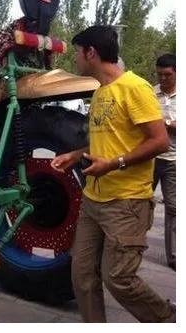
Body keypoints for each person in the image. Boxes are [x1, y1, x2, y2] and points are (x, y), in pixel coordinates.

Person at [50, 25, 174, 323]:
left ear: (91, 53)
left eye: (78, 53)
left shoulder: (135, 87)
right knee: (82, 276)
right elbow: (103, 141)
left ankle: (166, 320)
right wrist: (75, 155)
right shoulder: (102, 91)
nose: (75, 60)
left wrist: (114, 164)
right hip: (93, 200)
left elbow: (160, 141)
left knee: (118, 278)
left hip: (126, 203)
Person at [153, 54, 176, 270]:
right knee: (140, 203)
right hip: (150, 158)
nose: (163, 79)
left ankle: (174, 257)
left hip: (174, 160)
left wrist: (166, 123)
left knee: (174, 208)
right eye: (160, 74)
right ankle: (134, 246)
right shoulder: (151, 93)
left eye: (167, 75)